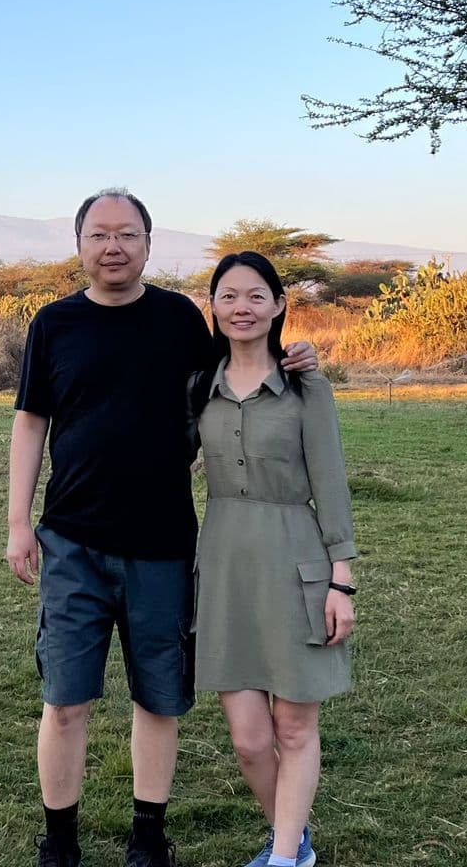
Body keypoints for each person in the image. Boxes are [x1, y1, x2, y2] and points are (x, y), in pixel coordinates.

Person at [6, 190, 315, 867]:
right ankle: (59, 843)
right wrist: (18, 523)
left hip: (165, 544)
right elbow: (31, 422)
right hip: (70, 543)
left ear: (148, 243)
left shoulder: (178, 318)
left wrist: (296, 355)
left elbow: (242, 360)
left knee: (159, 700)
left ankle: (149, 837)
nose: (113, 246)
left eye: (127, 234)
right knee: (65, 703)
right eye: (99, 234)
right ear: (80, 244)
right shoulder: (53, 324)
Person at [189, 252, 354, 867]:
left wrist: (342, 579)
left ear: (279, 305)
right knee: (250, 739)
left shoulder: (307, 387)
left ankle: (285, 858)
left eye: (257, 296)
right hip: (225, 564)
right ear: (213, 306)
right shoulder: (196, 384)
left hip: (296, 562)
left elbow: (332, 486)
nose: (242, 308)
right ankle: (295, 835)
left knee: (293, 727)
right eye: (229, 296)